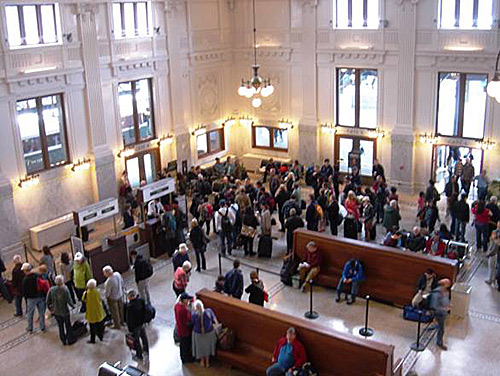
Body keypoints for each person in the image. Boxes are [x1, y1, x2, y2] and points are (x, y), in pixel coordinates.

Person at [46, 275, 74, 345]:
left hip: (56, 312)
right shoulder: (65, 289)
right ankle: (70, 339)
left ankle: (63, 340)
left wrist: (50, 309)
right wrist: (72, 306)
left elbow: (47, 301)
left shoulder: (51, 289)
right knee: (68, 326)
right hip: (65, 311)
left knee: (60, 326)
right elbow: (69, 300)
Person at [191, 299, 218, 368]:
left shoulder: (194, 315)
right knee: (207, 347)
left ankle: (202, 361)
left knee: (201, 347)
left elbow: (192, 323)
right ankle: (208, 362)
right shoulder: (209, 311)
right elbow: (214, 320)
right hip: (209, 332)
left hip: (198, 333)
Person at [22, 263, 46, 333]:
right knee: (41, 313)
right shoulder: (37, 276)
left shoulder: (25, 280)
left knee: (30, 314)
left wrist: (26, 298)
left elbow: (24, 292)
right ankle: (42, 327)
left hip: (31, 299)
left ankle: (30, 328)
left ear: (25, 271)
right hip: (40, 296)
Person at [125, 290, 149, 361]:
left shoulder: (129, 306)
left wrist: (129, 328)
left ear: (129, 297)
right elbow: (145, 310)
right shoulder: (141, 301)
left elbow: (129, 319)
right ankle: (146, 350)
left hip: (135, 326)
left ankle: (139, 355)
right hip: (141, 323)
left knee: (136, 341)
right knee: (144, 337)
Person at [430, 278, 451, 350]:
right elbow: (434, 306)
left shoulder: (445, 291)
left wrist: (448, 305)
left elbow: (445, 300)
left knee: (439, 325)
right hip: (439, 313)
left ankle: (433, 327)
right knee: (441, 329)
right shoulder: (437, 293)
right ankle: (439, 342)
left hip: (443, 312)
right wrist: (445, 308)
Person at [82, 279, 106, 344]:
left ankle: (93, 339)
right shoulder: (98, 291)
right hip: (98, 310)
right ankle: (101, 336)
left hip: (90, 312)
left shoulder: (86, 293)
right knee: (100, 324)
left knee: (92, 326)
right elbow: (101, 298)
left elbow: (83, 300)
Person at [174, 292, 194, 363]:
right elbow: (187, 320)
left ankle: (183, 357)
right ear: (183, 300)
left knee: (182, 345)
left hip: (179, 329)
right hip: (185, 330)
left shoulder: (177, 306)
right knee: (186, 345)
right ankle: (186, 359)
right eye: (187, 299)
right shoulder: (183, 310)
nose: (188, 301)